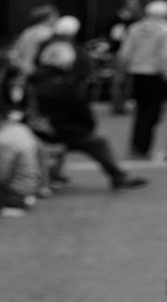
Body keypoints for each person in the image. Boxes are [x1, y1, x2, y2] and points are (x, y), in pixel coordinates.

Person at [31, 40, 146, 191]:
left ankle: (55, 174)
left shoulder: (34, 80)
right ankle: (119, 176)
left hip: (42, 129)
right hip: (62, 130)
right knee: (98, 141)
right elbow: (79, 110)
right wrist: (87, 125)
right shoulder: (61, 84)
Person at [119, 0, 167, 159]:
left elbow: (125, 52)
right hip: (155, 73)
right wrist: (166, 71)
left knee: (140, 109)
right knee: (152, 111)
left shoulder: (135, 28)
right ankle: (143, 147)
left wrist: (127, 67)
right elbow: (166, 54)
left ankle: (136, 145)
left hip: (137, 71)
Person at [8, 4, 57, 77]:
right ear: (50, 18)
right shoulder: (49, 33)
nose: (57, 20)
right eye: (56, 16)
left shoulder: (28, 31)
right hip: (36, 73)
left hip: (21, 70)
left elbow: (15, 52)